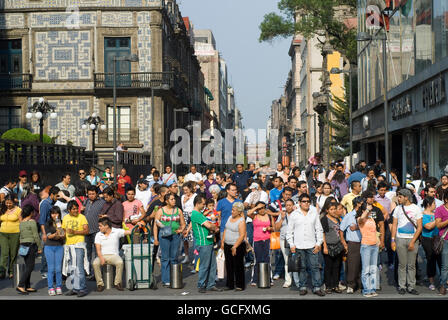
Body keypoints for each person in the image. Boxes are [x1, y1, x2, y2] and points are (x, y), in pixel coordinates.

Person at [286, 193, 325, 296]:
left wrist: (318, 243)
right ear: (299, 203)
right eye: (304, 201)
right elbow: (289, 232)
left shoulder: (314, 213)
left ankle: (317, 287)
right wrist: (291, 244)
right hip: (298, 245)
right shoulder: (294, 214)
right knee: (302, 267)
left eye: (308, 201)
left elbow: (319, 229)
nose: (306, 203)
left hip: (312, 245)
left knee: (315, 267)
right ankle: (302, 286)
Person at [391, 188, 422, 295]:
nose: (398, 199)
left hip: (412, 239)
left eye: (400, 197)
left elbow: (419, 227)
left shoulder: (416, 209)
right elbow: (394, 225)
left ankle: (411, 286)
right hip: (400, 239)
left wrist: (413, 241)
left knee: (412, 265)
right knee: (402, 264)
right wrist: (393, 240)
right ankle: (402, 286)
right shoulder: (397, 209)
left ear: (406, 197)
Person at [189, 195, 222, 293]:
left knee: (212, 265)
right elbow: (209, 225)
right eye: (203, 204)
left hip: (209, 241)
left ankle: (210, 284)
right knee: (204, 265)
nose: (204, 206)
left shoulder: (200, 213)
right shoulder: (196, 214)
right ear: (197, 203)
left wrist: (214, 227)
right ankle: (201, 284)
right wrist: (214, 227)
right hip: (203, 243)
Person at [153, 193, 186, 287]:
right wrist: (155, 238)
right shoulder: (160, 211)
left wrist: (181, 230)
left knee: (174, 257)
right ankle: (166, 279)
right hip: (164, 236)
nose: (174, 201)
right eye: (171, 199)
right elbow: (155, 225)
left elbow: (183, 223)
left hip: (175, 236)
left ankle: (174, 277)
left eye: (174, 199)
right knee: (165, 258)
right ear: (166, 201)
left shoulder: (178, 210)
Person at [93, 217, 132, 292]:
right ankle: (100, 284)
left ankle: (117, 283)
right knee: (95, 263)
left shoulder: (116, 231)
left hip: (114, 255)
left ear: (106, 226)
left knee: (120, 262)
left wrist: (138, 225)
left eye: (100, 226)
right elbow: (98, 250)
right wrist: (101, 258)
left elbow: (129, 232)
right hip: (102, 255)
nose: (99, 227)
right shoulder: (98, 235)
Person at [62, 200, 89, 297]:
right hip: (68, 246)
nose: (76, 210)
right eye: (73, 209)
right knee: (71, 268)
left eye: (77, 208)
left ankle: (82, 288)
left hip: (79, 245)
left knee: (79, 267)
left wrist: (75, 232)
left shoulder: (82, 217)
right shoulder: (65, 218)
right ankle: (74, 288)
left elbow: (86, 231)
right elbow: (63, 231)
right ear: (69, 210)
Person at [16, 205, 42, 294]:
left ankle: (27, 286)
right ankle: (20, 285)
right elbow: (36, 235)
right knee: (30, 267)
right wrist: (39, 247)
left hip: (23, 245)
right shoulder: (32, 222)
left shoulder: (21, 222)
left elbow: (21, 235)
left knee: (28, 265)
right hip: (31, 245)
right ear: (31, 212)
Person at [247, 201, 274, 287]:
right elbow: (248, 213)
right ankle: (254, 279)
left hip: (267, 240)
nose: (262, 210)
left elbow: (274, 228)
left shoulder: (269, 216)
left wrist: (270, 228)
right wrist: (256, 207)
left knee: (267, 259)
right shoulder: (254, 216)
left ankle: (269, 278)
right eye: (260, 208)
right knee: (257, 260)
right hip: (257, 240)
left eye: (263, 208)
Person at [221, 201, 247, 291]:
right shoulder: (229, 217)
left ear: (239, 212)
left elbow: (242, 235)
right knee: (229, 265)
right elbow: (225, 229)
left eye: (234, 210)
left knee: (238, 265)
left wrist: (235, 246)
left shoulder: (241, 221)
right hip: (227, 244)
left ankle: (240, 285)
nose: (232, 211)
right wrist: (222, 241)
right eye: (232, 210)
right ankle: (230, 284)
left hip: (237, 245)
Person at [356, 200, 380, 297]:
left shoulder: (371, 219)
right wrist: (366, 210)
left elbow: (375, 231)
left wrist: (378, 241)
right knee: (366, 269)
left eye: (370, 210)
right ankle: (366, 290)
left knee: (373, 268)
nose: (370, 211)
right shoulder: (360, 219)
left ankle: (372, 289)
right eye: (368, 210)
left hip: (374, 245)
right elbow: (361, 220)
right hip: (366, 246)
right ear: (363, 210)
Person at [321, 202, 345, 294]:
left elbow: (340, 232)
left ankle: (335, 285)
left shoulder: (337, 219)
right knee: (328, 267)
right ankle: (328, 286)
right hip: (329, 246)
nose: (333, 211)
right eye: (331, 209)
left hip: (338, 245)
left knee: (337, 266)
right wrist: (325, 247)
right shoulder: (324, 219)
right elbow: (323, 233)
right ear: (327, 210)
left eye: (334, 209)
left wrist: (343, 244)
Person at [83, 185, 105, 278]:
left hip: (96, 231)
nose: (91, 195)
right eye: (89, 194)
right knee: (86, 252)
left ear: (97, 194)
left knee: (97, 252)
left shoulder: (102, 203)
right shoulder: (86, 201)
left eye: (93, 194)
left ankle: (96, 273)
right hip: (86, 231)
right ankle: (86, 271)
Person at [420, 197, 441, 291]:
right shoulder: (422, 215)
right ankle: (431, 281)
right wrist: (437, 221)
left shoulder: (436, 213)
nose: (435, 205)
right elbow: (427, 226)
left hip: (438, 239)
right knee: (431, 259)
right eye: (434, 204)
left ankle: (443, 281)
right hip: (427, 239)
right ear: (428, 204)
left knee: (441, 259)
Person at [38, 186, 60, 279]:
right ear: (52, 195)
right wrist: (43, 233)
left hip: (54, 230)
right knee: (46, 252)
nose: (58, 197)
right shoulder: (45, 204)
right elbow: (42, 220)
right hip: (46, 230)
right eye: (57, 196)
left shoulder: (53, 203)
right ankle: (44, 271)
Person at [274, 198, 295, 288]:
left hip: (295, 240)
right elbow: (276, 228)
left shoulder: (297, 214)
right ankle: (288, 280)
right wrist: (282, 219)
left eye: (290, 205)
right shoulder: (282, 214)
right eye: (287, 205)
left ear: (293, 206)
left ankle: (297, 280)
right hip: (284, 239)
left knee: (297, 260)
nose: (288, 207)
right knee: (287, 260)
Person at [44, 206, 65, 296]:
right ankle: (51, 287)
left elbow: (63, 236)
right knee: (51, 269)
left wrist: (61, 233)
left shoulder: (62, 222)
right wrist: (56, 233)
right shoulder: (47, 223)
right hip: (49, 246)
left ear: (59, 214)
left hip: (59, 246)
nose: (54, 215)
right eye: (53, 213)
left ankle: (59, 286)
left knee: (58, 269)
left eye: (56, 213)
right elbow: (49, 236)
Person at [0, 193, 21, 279]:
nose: (8, 205)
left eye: (10, 203)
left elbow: (21, 222)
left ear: (14, 202)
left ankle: (11, 270)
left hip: (15, 234)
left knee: (13, 253)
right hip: (3, 234)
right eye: (7, 203)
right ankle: (2, 271)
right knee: (4, 253)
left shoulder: (18, 210)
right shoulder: (2, 209)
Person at [180, 181, 197, 264]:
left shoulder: (195, 196)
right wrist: (184, 201)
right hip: (185, 216)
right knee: (185, 238)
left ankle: (195, 257)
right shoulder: (183, 196)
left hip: (193, 215)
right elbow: (183, 208)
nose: (185, 191)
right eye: (184, 190)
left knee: (194, 237)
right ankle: (186, 256)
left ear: (190, 189)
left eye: (186, 190)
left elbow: (196, 207)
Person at [435, 188, 448, 295]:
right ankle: (443, 286)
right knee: (445, 266)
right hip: (445, 240)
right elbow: (438, 225)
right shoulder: (440, 209)